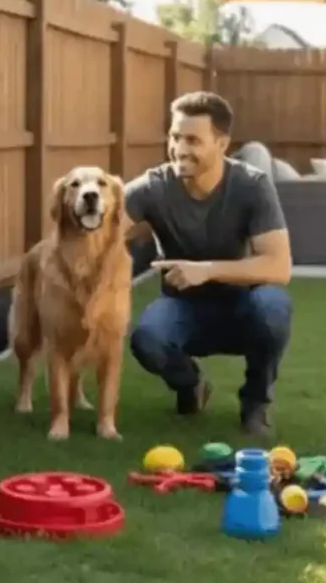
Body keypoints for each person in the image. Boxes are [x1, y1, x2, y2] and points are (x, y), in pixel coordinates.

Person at [124, 91, 293, 437]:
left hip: (244, 308)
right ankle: (191, 384)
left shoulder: (251, 185)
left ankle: (255, 405)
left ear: (222, 144)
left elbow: (279, 267)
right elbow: (100, 229)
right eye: (174, 137)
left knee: (274, 307)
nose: (180, 149)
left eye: (192, 140)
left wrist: (208, 270)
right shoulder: (154, 187)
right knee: (147, 339)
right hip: (182, 308)